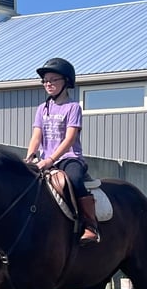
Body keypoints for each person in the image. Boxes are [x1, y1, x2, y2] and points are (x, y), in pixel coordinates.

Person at [24, 58, 99, 245]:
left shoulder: (73, 107)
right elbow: (36, 136)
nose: (48, 84)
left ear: (66, 81)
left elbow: (69, 139)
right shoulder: (42, 108)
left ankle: (90, 226)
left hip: (69, 158)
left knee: (74, 180)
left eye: (53, 80)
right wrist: (30, 156)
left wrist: (50, 160)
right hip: (44, 159)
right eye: (45, 81)